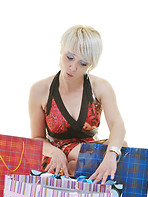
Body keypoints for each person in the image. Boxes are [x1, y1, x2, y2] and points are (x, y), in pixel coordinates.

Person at [29, 25, 127, 184]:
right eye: (69, 57)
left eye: (83, 63)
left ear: (90, 64)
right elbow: (37, 138)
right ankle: (75, 170)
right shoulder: (40, 90)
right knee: (83, 153)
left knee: (120, 145)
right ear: (61, 49)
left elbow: (118, 125)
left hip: (90, 154)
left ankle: (76, 169)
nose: (73, 67)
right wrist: (54, 152)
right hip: (56, 156)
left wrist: (111, 154)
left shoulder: (100, 87)